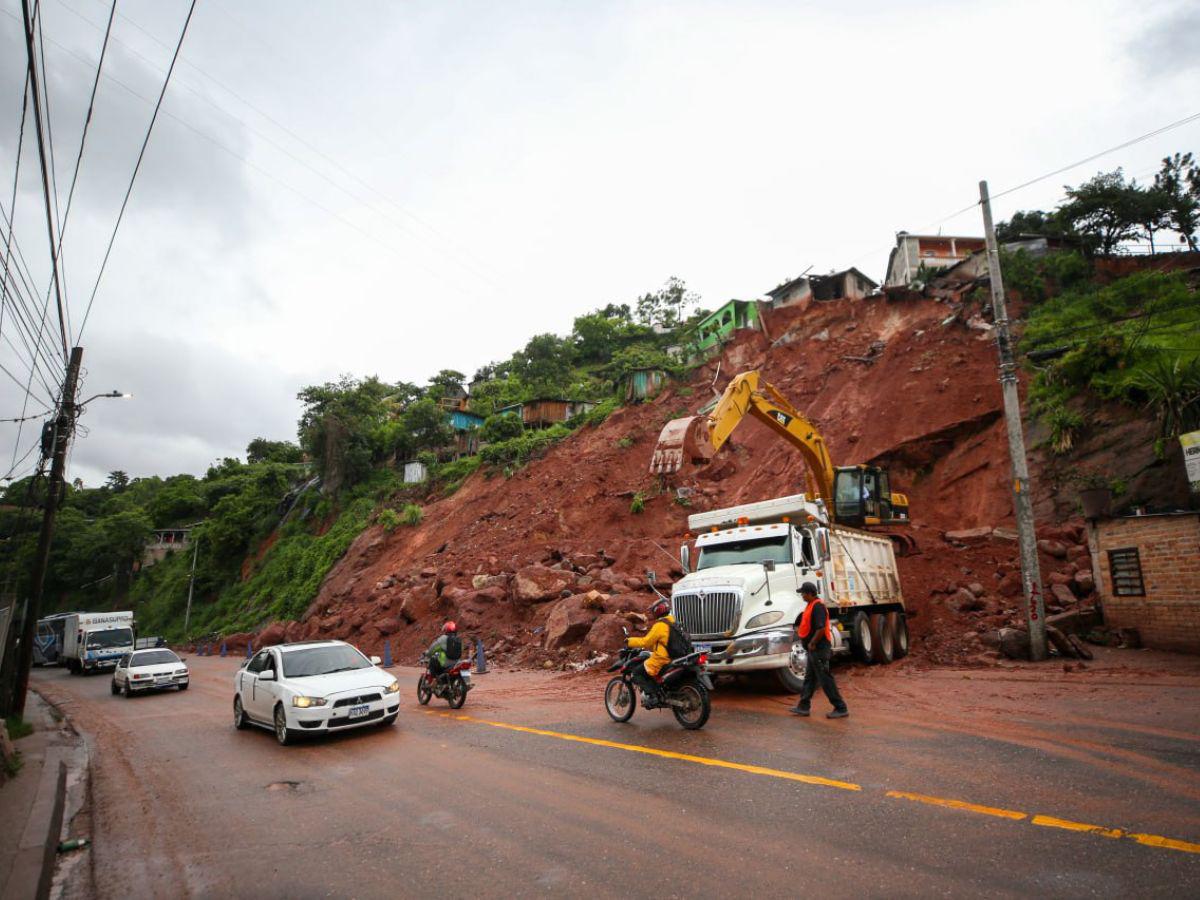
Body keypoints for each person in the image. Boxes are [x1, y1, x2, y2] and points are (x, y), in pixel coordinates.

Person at [790, 582, 848, 719]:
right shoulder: (811, 606)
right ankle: (803, 706)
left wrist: (812, 643)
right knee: (809, 678)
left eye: (803, 593)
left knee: (825, 678)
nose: (802, 595)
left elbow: (821, 628)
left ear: (810, 593)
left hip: (819, 649)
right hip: (814, 649)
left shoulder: (818, 607)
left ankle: (841, 707)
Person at [626, 598, 673, 707]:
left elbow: (646, 642)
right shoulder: (675, 621)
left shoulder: (660, 625)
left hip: (662, 659)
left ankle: (653, 696)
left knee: (636, 673)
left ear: (658, 611)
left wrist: (630, 641)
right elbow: (663, 641)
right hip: (675, 657)